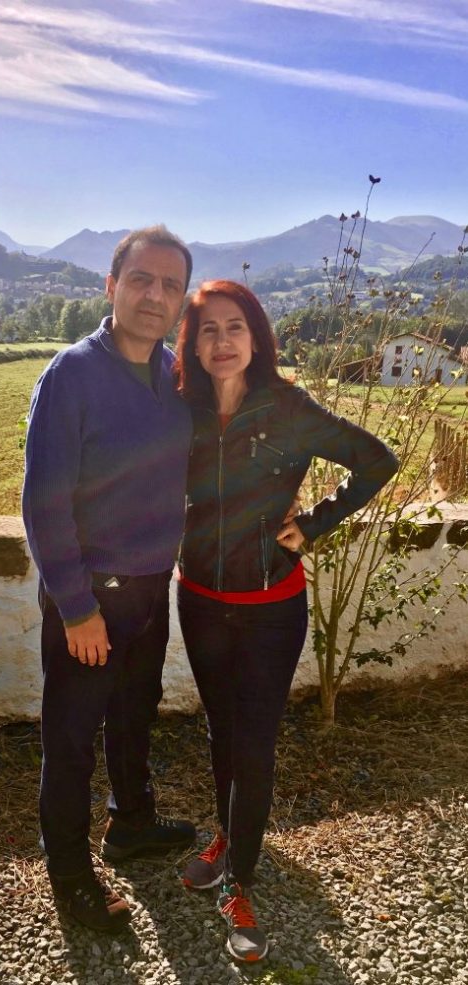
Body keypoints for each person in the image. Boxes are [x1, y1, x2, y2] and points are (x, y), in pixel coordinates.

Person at [174, 280, 398, 962]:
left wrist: (316, 522)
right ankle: (226, 833)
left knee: (255, 742)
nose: (221, 341)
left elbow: (376, 460)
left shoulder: (288, 406)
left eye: (234, 326)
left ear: (256, 336)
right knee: (220, 731)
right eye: (208, 329)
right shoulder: (179, 408)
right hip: (200, 596)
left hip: (270, 606)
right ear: (193, 341)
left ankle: (240, 881)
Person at [22, 226, 198, 934]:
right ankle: (70, 880)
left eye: (170, 285)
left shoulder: (172, 377)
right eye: (142, 280)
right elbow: (43, 502)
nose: (155, 295)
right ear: (112, 285)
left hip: (151, 591)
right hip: (89, 599)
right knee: (70, 740)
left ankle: (131, 825)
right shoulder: (72, 374)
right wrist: (75, 607)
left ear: (181, 301)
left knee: (135, 715)